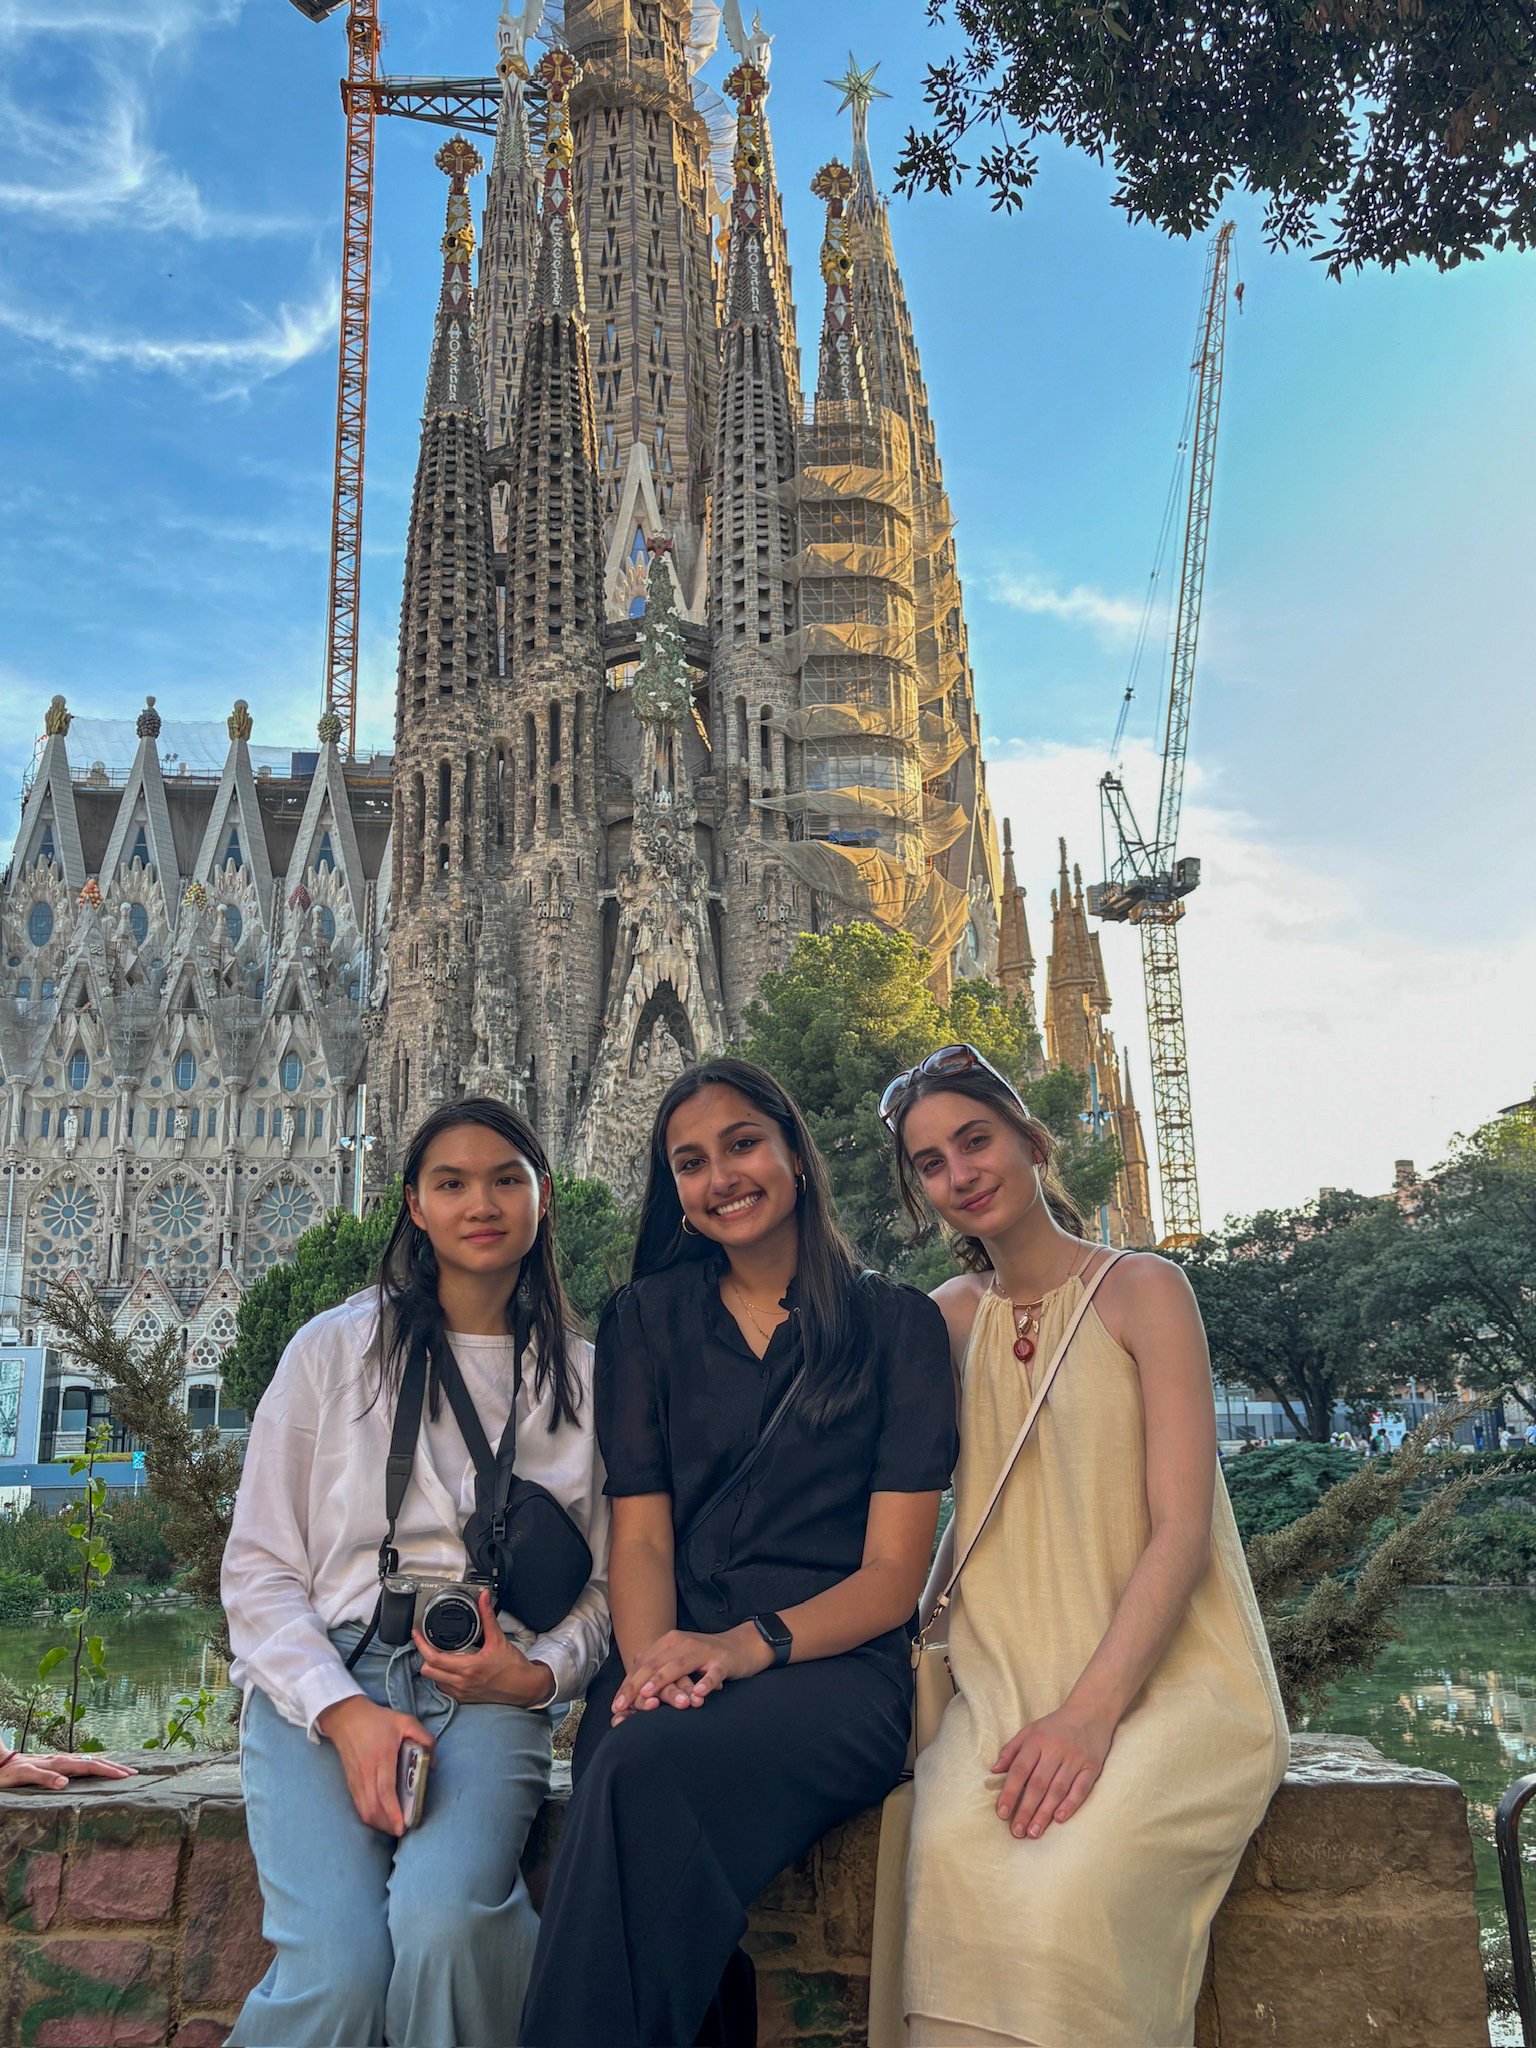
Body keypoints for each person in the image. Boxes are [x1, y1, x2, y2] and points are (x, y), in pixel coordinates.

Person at [521, 1056, 957, 2048]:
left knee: (635, 1777)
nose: (720, 1175)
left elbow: (895, 1575)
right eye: (688, 1160)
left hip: (829, 1665)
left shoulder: (899, 1326)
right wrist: (652, 1663)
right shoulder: (646, 1319)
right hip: (668, 1652)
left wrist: (748, 1643)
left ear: (796, 1153)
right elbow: (640, 1529)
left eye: (742, 1143)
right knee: (633, 1750)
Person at [882, 1045, 1288, 2048]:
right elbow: (951, 1507)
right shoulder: (946, 1319)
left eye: (975, 1139)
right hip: (1003, 1686)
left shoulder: (1145, 1288)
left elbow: (1181, 1528)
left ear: (1031, 1139)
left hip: (1172, 1683)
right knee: (944, 1890)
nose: (960, 1171)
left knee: (1061, 1912)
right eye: (931, 1162)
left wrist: (1089, 1715)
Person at [223, 1097, 610, 2048]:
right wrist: (343, 1712)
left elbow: (612, 1588)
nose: (481, 1203)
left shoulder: (588, 1381)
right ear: (414, 1206)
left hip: (487, 1695)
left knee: (445, 1929)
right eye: (452, 1183)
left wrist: (540, 1674)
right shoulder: (332, 1351)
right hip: (327, 1684)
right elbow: (260, 1568)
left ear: (543, 1198)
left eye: (506, 1180)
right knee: (342, 1972)